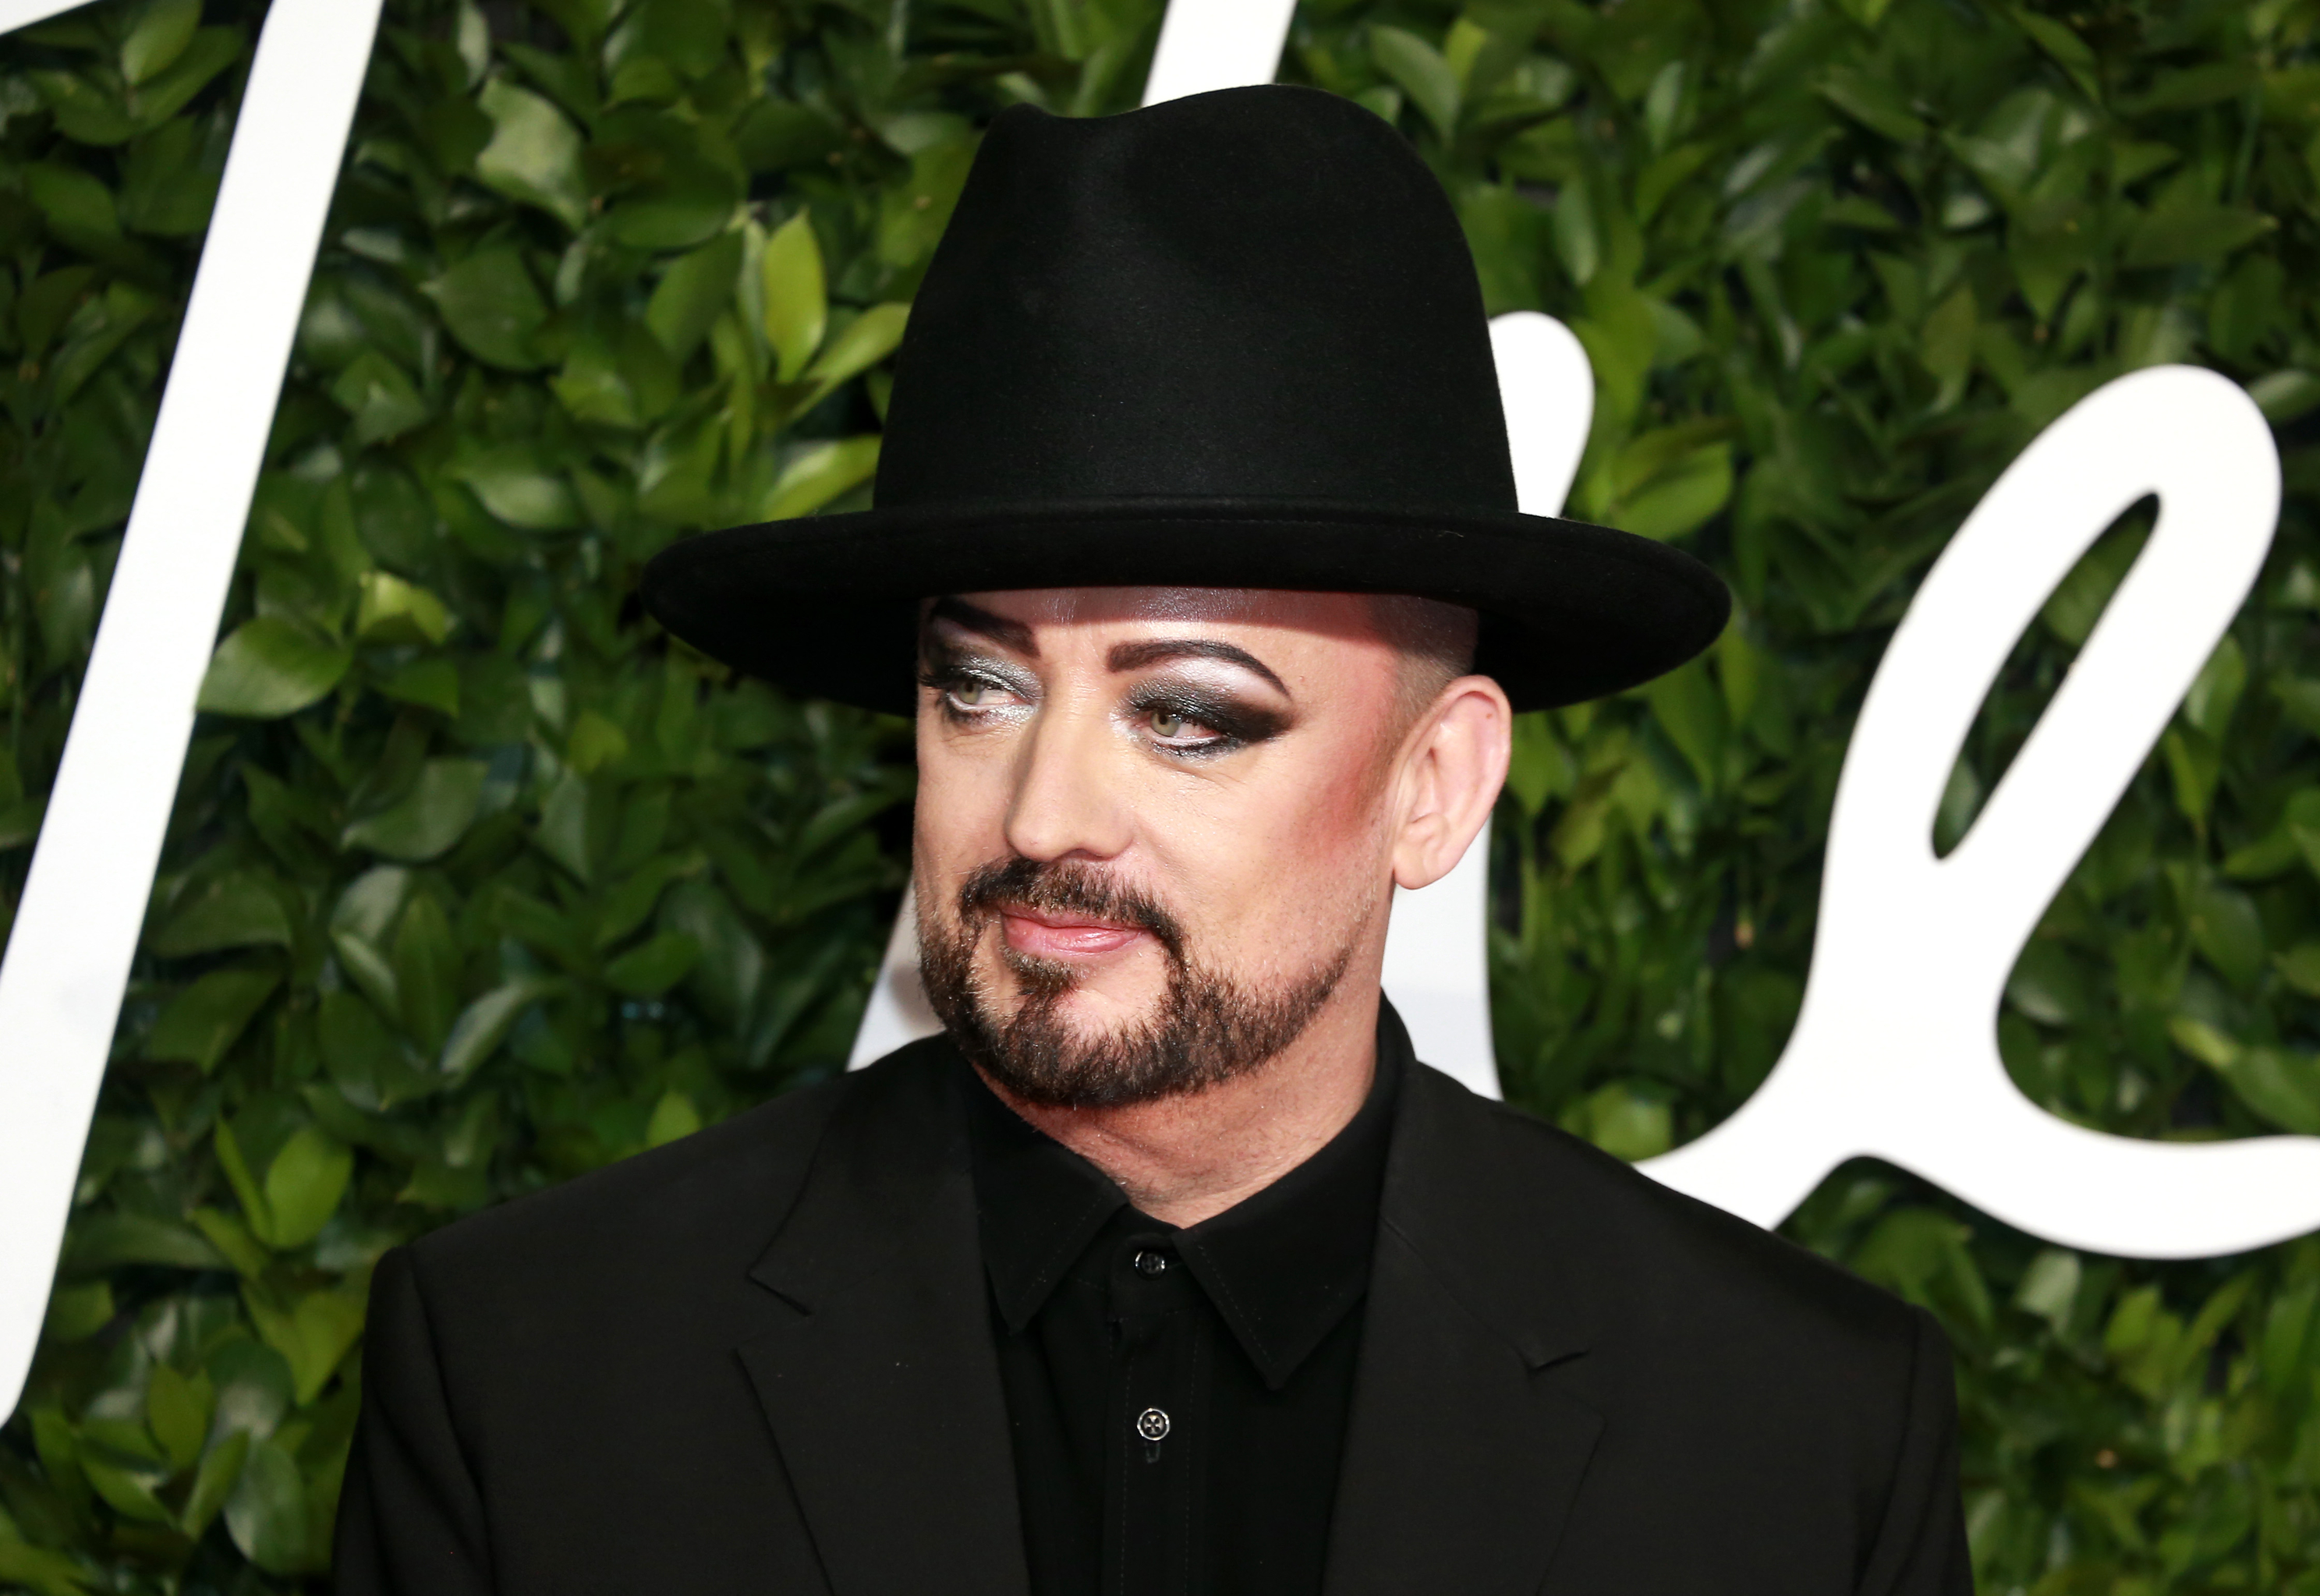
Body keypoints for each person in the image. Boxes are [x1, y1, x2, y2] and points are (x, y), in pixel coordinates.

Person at [333, 84, 1971, 1596]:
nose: (1042, 812)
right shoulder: (533, 1378)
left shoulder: (1793, 1446)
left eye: (1189, 715)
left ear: (1437, 783)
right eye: (976, 685)